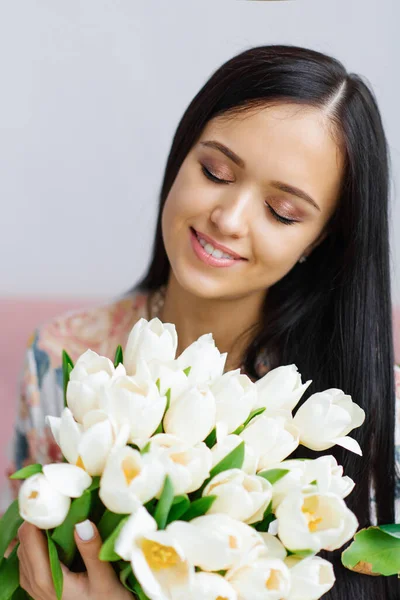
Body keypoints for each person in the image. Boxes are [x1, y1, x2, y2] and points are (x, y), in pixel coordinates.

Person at [3, 44, 400, 599]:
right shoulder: (60, 358)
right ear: (181, 155)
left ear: (321, 240)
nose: (228, 219)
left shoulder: (363, 408)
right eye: (215, 171)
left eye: (282, 212)